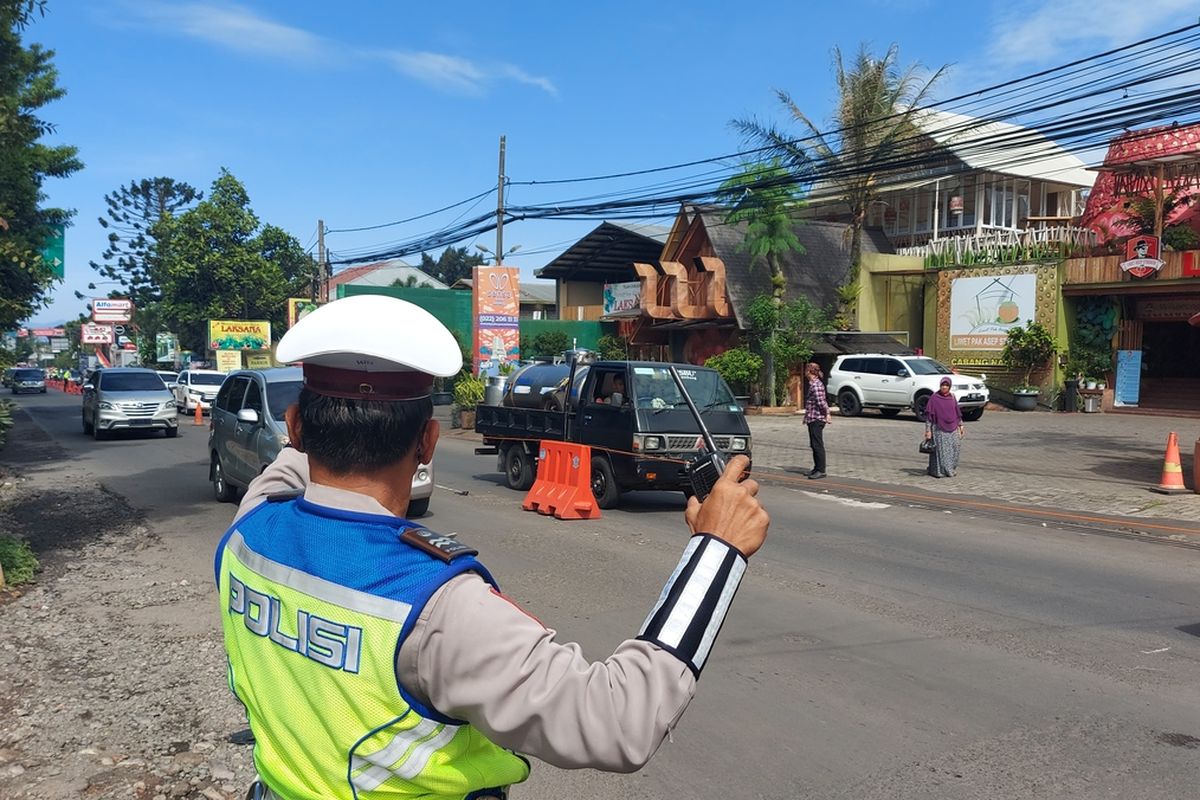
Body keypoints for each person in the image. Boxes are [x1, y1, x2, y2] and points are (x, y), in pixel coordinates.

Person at [215, 295, 770, 800]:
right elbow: (619, 722)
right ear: (429, 441)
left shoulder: (248, 531)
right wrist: (717, 549)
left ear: (295, 426)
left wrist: (324, 422)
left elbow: (288, 468)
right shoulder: (434, 605)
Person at [924, 376, 965, 478]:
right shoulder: (934, 398)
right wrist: (928, 430)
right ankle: (943, 471)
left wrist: (961, 425)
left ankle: (951, 468)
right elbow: (929, 416)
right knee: (942, 452)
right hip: (939, 428)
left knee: (955, 449)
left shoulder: (952, 397)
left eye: (946, 385)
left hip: (953, 427)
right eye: (943, 385)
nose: (944, 387)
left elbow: (957, 413)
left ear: (949, 386)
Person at [801, 361, 831, 479]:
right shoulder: (813, 384)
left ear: (809, 371)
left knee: (817, 445)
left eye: (806, 370)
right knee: (813, 444)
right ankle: (816, 468)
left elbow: (821, 402)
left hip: (817, 418)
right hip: (812, 418)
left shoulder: (816, 385)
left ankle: (821, 470)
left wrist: (827, 413)